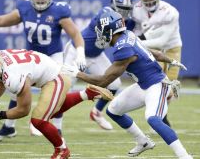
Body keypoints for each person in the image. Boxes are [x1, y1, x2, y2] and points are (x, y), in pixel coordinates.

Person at [61, 10, 192, 159]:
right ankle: (143, 142)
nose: (100, 35)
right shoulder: (128, 35)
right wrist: (170, 60)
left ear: (110, 31)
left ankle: (184, 156)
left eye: (102, 31)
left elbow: (104, 81)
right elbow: (151, 52)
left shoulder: (124, 49)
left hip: (157, 85)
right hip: (144, 85)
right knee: (113, 110)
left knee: (153, 118)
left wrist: (77, 73)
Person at [0, 0, 86, 141]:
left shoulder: (59, 11)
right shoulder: (24, 7)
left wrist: (80, 53)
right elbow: (2, 21)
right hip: (31, 56)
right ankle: (8, 128)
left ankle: (57, 129)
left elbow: (75, 34)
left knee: (56, 93)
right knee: (15, 90)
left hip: (52, 56)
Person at [0, 48, 113, 159]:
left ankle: (62, 150)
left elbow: (23, 110)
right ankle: (87, 93)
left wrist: (0, 115)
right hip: (51, 71)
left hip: (57, 78)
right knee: (51, 112)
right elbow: (2, 78)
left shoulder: (13, 77)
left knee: (38, 120)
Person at [63, 0, 133, 130]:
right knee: (64, 88)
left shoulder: (127, 22)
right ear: (113, 5)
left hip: (96, 55)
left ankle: (97, 112)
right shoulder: (106, 14)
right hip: (77, 51)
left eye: (126, 9)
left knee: (114, 84)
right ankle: (48, 119)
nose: (124, 13)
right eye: (121, 9)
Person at [132, 0, 183, 127]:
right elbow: (138, 32)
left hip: (172, 47)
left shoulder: (170, 12)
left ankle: (162, 114)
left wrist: (136, 43)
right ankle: (158, 117)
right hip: (153, 49)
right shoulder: (137, 9)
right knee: (158, 82)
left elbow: (162, 41)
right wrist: (136, 39)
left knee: (170, 88)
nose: (148, 1)